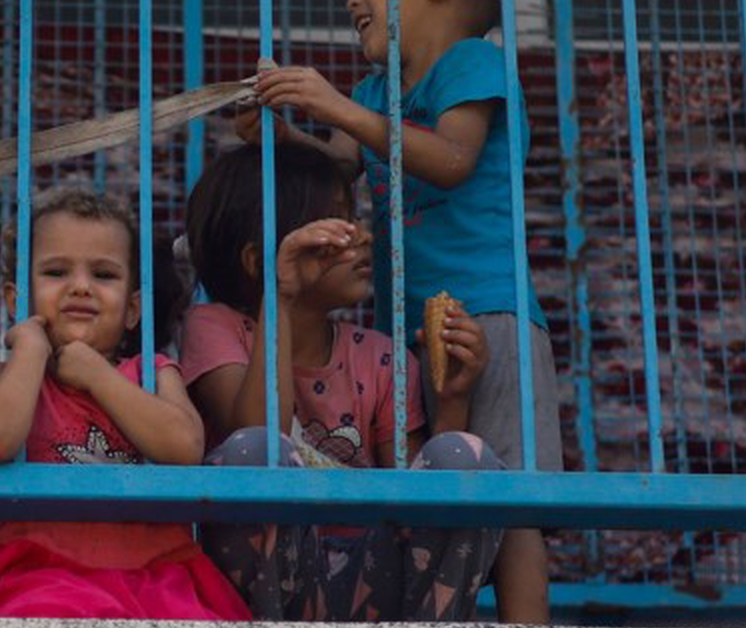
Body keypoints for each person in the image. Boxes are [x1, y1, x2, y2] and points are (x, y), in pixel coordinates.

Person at [235, 0, 564, 621]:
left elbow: (452, 159)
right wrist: (288, 136)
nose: (351, 3)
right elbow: (344, 160)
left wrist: (338, 107)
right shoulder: (375, 89)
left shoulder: (473, 63)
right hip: (402, 330)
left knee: (511, 499)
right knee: (419, 489)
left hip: (489, 314)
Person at [180, 144, 503, 621]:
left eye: (355, 220)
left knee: (464, 456)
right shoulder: (214, 327)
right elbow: (256, 430)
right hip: (274, 582)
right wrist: (281, 293)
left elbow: (414, 495)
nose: (363, 237)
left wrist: (451, 398)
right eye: (336, 225)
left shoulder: (380, 355)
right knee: (255, 449)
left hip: (370, 582)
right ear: (258, 261)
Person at [0, 190, 249, 620]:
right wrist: (31, 350)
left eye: (104, 275)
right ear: (17, 301)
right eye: (56, 271)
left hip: (157, 572)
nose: (80, 286)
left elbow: (185, 446)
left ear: (132, 310)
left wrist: (97, 375)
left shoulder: (153, 373)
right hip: (41, 573)